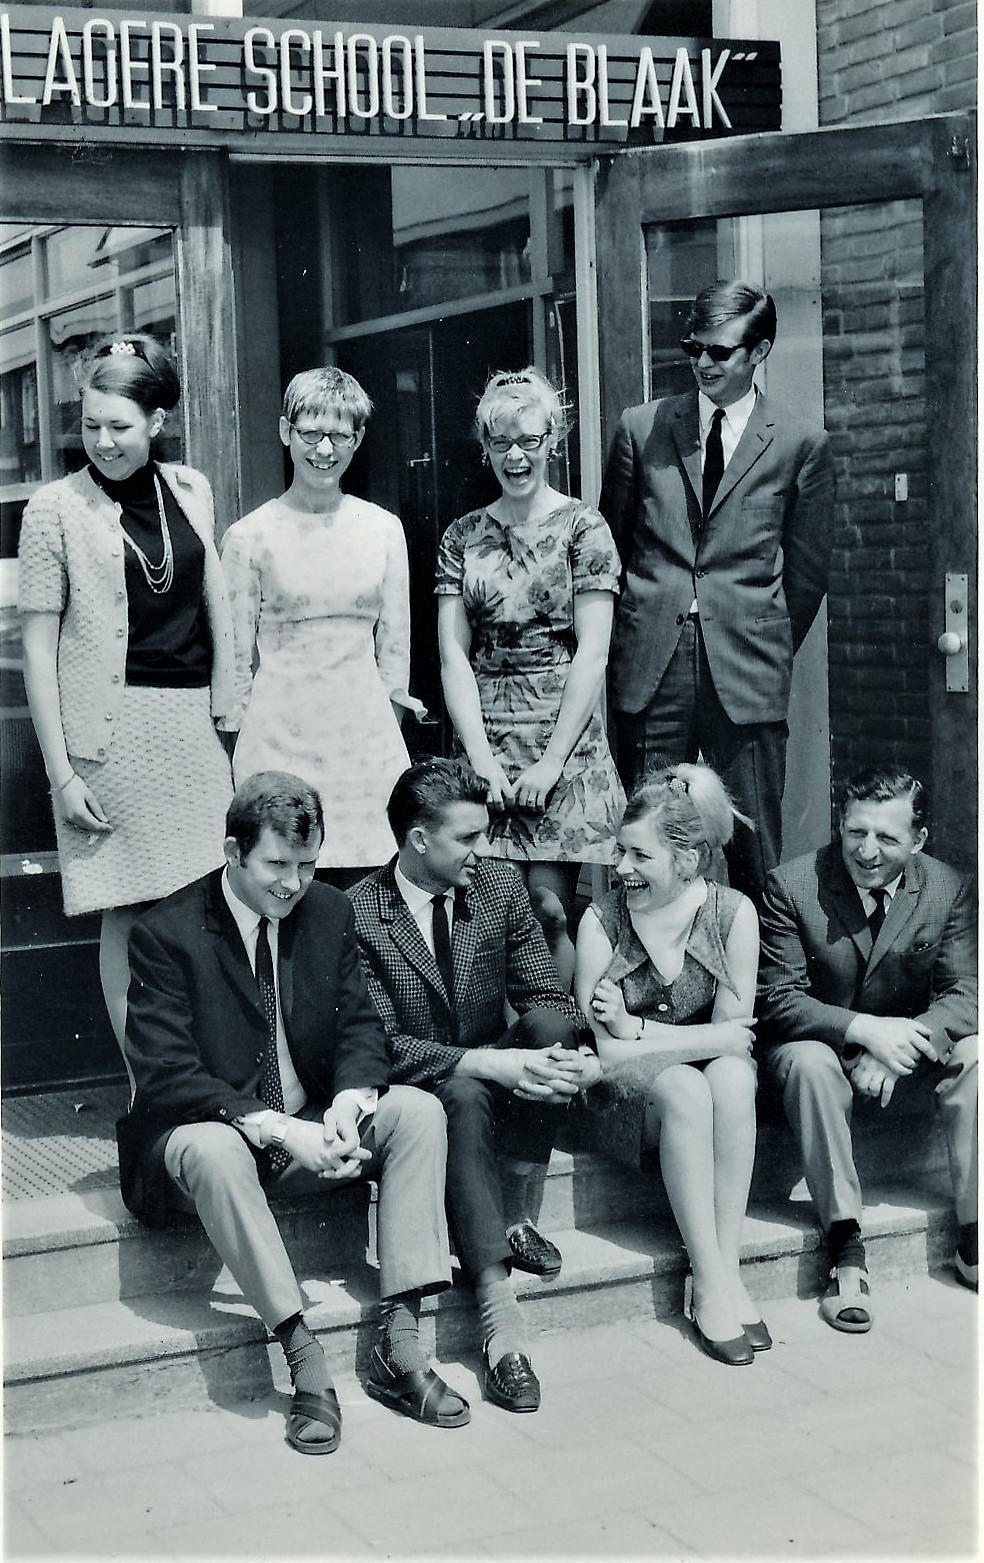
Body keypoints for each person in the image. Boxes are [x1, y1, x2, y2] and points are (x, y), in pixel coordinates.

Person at [117, 771, 468, 1454]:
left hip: (311, 1125)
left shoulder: (329, 911)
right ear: (233, 851)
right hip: (213, 1135)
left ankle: (399, 1342)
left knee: (419, 1111)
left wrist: (349, 1103)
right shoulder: (166, 932)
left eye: (307, 864)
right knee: (215, 1149)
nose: (294, 883)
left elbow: (361, 1026)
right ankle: (301, 1353)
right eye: (277, 864)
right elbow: (168, 1074)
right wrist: (280, 1128)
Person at [349, 757, 599, 1412]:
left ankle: (510, 1209)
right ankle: (500, 1320)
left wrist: (581, 1059)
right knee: (459, 1092)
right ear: (418, 839)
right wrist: (485, 1063)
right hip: (419, 1090)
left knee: (552, 1028)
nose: (482, 849)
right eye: (467, 837)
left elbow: (548, 997)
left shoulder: (497, 885)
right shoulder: (360, 913)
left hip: (494, 1081)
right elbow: (380, 1047)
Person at [17, 333, 235, 1053]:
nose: (103, 442)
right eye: (90, 425)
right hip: (109, 741)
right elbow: (38, 652)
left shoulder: (193, 489)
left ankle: (203, 1072)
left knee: (208, 905)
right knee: (131, 910)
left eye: (119, 426)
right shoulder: (54, 509)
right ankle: (150, 1085)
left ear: (157, 421)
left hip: (194, 729)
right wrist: (62, 774)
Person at [599, 280, 835, 898]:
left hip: (747, 668)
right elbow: (611, 551)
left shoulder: (800, 443)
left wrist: (759, 633)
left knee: (755, 848)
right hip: (653, 664)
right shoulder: (642, 428)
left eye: (720, 351)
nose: (703, 362)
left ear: (759, 352)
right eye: (693, 348)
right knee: (645, 840)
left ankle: (762, 961)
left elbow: (807, 575)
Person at [759, 766, 978, 1329]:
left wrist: (896, 1045)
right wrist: (865, 1029)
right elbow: (779, 999)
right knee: (810, 1063)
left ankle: (974, 1236)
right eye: (856, 831)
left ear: (918, 839)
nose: (867, 850)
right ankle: (845, 1251)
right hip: (819, 1049)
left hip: (900, 1057)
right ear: (841, 823)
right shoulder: (791, 885)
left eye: (886, 837)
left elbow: (965, 992)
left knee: (977, 1055)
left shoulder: (947, 886)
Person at [574, 765, 767, 1367]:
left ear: (688, 861)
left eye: (640, 856)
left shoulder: (733, 914)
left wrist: (638, 1030)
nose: (621, 869)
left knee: (732, 1077)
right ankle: (708, 1281)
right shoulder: (601, 921)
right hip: (619, 1100)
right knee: (687, 1083)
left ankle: (727, 1268)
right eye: (620, 852)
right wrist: (696, 1040)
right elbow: (604, 1053)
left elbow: (738, 1044)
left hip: (702, 1086)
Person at [437, 366, 624, 974]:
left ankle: (554, 1024)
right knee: (484, 914)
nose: (515, 456)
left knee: (548, 911)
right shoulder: (463, 536)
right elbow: (453, 654)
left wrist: (551, 763)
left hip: (561, 740)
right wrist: (480, 759)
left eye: (529, 441)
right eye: (501, 443)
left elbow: (593, 651)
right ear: (485, 446)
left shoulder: (583, 527)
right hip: (486, 736)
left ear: (553, 440)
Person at [220, 368, 420, 888]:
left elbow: (395, 650)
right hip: (279, 739)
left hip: (365, 746)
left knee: (369, 890)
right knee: (285, 885)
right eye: (310, 433)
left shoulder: (382, 529)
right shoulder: (249, 537)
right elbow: (234, 660)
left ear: (358, 439)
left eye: (340, 435)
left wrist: (385, 722)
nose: (324, 450)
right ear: (286, 432)